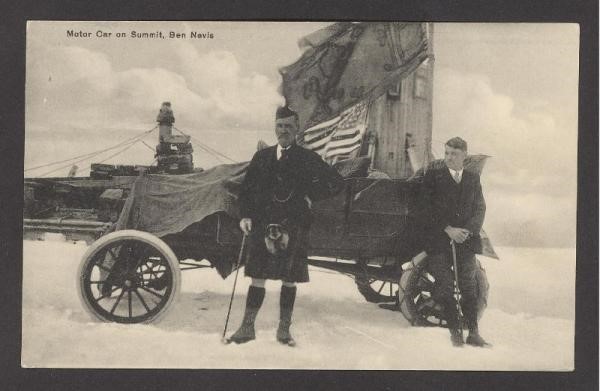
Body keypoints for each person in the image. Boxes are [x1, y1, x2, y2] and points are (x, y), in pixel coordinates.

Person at [227, 106, 344, 346]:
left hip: (294, 225)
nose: (284, 131)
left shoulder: (308, 158)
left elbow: (336, 183)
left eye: (289, 126)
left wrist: (311, 195)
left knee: (289, 279)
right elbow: (247, 190)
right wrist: (245, 216)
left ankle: (283, 331)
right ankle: (247, 328)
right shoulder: (262, 157)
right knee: (257, 276)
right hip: (262, 223)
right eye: (280, 126)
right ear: (275, 127)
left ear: (297, 129)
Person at [421, 137, 489, 347]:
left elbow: (480, 208)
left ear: (464, 156)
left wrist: (467, 231)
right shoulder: (433, 177)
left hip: (466, 240)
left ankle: (473, 333)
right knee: (446, 285)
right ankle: (455, 335)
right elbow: (424, 208)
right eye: (447, 153)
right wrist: (448, 229)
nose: (449, 158)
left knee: (469, 286)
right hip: (438, 240)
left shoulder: (472, 178)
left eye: (454, 154)